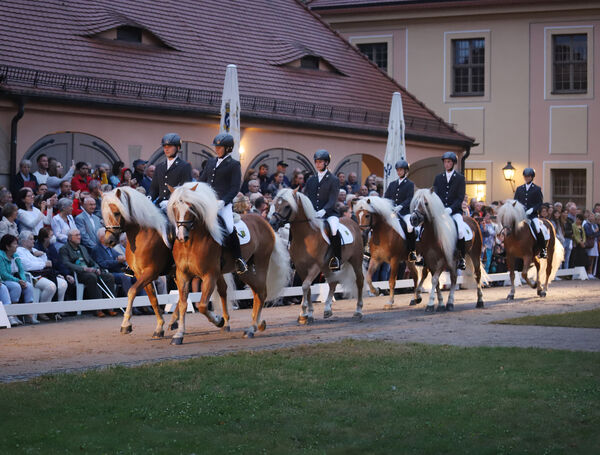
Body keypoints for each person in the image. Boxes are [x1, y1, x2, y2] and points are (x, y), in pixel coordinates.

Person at [198, 133, 247, 274]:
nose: (217, 149)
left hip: (223, 204)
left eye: (220, 147)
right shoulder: (211, 162)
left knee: (230, 228)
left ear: (228, 148)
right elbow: (202, 181)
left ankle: (238, 259)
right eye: (216, 147)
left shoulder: (234, 164)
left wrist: (224, 201)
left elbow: (234, 188)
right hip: (207, 203)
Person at [303, 149, 341, 270]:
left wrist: (324, 211)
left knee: (334, 229)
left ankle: (336, 258)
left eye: (320, 162)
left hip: (329, 213)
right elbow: (306, 197)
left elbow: (333, 199)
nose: (318, 164)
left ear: (326, 163)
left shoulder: (333, 179)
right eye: (316, 162)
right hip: (313, 213)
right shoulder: (311, 180)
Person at [59, 229, 116, 302]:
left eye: (79, 235)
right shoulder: (64, 249)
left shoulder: (82, 248)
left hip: (90, 271)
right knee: (92, 277)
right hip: (79, 273)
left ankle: (110, 305)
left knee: (109, 276)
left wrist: (97, 268)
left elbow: (91, 261)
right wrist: (84, 269)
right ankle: (98, 307)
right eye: (76, 235)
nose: (79, 237)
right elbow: (66, 263)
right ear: (70, 238)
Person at [433, 151, 467, 270]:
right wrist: (440, 208)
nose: (446, 164)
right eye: (445, 162)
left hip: (455, 211)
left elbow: (460, 197)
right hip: (441, 211)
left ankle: (462, 258)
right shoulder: (438, 178)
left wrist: (451, 208)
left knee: (461, 231)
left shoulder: (460, 178)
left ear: (453, 163)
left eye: (449, 162)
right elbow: (435, 195)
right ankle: (423, 255)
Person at [17, 230, 68, 308]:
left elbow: (47, 261)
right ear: (24, 241)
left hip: (44, 274)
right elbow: (28, 266)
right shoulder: (19, 251)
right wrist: (43, 264)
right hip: (33, 277)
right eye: (31, 239)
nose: (33, 241)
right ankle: (42, 310)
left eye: (33, 239)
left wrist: (41, 256)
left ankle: (57, 310)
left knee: (63, 284)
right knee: (50, 286)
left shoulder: (34, 250)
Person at [383, 159, 416, 261]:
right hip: (392, 212)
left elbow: (410, 198)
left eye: (401, 170)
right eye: (397, 170)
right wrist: (388, 206)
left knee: (410, 227)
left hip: (404, 212)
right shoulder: (392, 184)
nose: (399, 172)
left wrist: (401, 206)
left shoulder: (410, 184)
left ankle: (411, 251)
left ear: (406, 171)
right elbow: (386, 197)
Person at [0, 234, 37, 323]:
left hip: (15, 279)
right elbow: (3, 274)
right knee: (16, 286)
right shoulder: (1, 256)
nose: (17, 245)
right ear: (7, 246)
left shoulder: (16, 255)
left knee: (28, 286)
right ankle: (12, 315)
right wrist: (18, 281)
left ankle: (29, 315)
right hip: (5, 280)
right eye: (15, 244)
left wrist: (23, 280)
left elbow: (21, 270)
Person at [92, 228, 132, 309]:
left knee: (137, 275)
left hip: (118, 271)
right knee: (125, 277)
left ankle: (144, 305)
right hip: (108, 273)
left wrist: (122, 258)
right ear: (101, 238)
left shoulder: (110, 247)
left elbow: (119, 257)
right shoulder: (96, 249)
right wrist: (117, 261)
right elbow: (102, 264)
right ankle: (131, 306)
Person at [150, 133, 193, 207]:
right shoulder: (159, 167)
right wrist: (149, 198)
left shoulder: (185, 166)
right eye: (164, 146)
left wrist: (171, 202)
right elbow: (154, 188)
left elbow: (185, 191)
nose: (166, 149)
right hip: (160, 204)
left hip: (175, 206)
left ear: (178, 148)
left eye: (169, 146)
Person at [513, 167, 547, 258]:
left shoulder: (537, 189)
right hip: (521, 216)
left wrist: (532, 209)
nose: (527, 178)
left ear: (532, 177)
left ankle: (543, 250)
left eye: (528, 176)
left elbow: (540, 203)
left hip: (532, 216)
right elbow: (515, 201)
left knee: (538, 229)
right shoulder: (519, 189)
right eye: (525, 176)